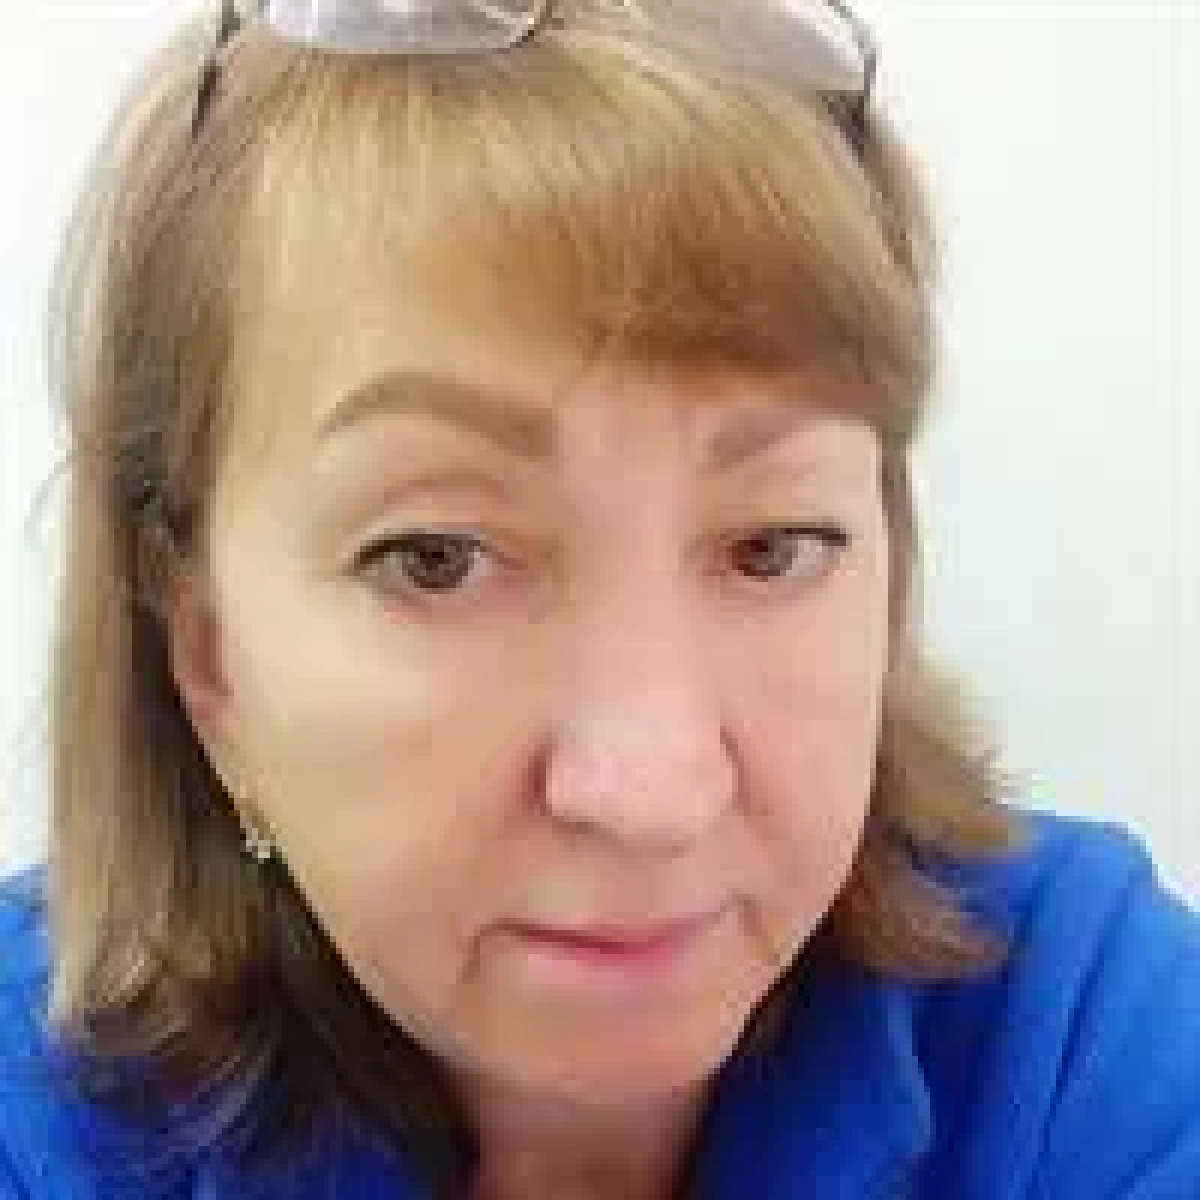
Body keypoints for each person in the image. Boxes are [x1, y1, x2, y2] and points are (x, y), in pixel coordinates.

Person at [1, 2, 1197, 1197]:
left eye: (773, 546)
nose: (651, 792)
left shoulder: (1084, 1033)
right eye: (437, 558)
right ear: (208, 656)